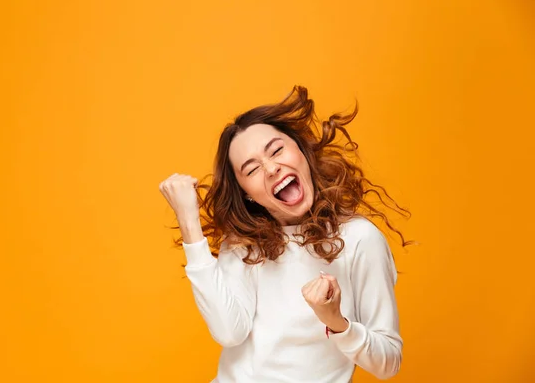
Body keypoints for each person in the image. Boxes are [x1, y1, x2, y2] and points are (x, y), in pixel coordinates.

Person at [159, 86, 411, 382]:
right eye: (251, 169)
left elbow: (388, 362)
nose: (270, 169)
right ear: (248, 194)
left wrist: (336, 322)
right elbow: (229, 332)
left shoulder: (360, 239)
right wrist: (190, 226)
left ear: (301, 151)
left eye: (276, 150)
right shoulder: (242, 243)